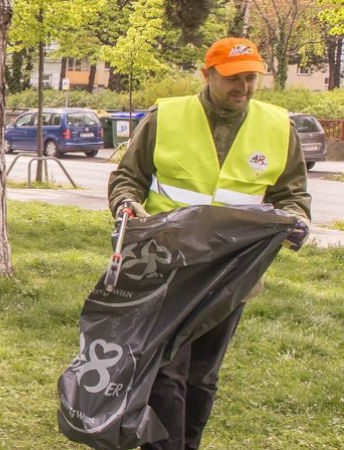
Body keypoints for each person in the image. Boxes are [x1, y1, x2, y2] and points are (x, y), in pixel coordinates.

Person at [107, 38, 310, 450]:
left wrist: (298, 222)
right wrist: (126, 204)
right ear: (207, 74)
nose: (244, 87)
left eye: (251, 78)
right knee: (165, 370)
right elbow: (128, 176)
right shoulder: (166, 117)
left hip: (232, 274)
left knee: (202, 375)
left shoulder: (277, 126)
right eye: (234, 78)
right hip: (168, 267)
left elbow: (291, 195)